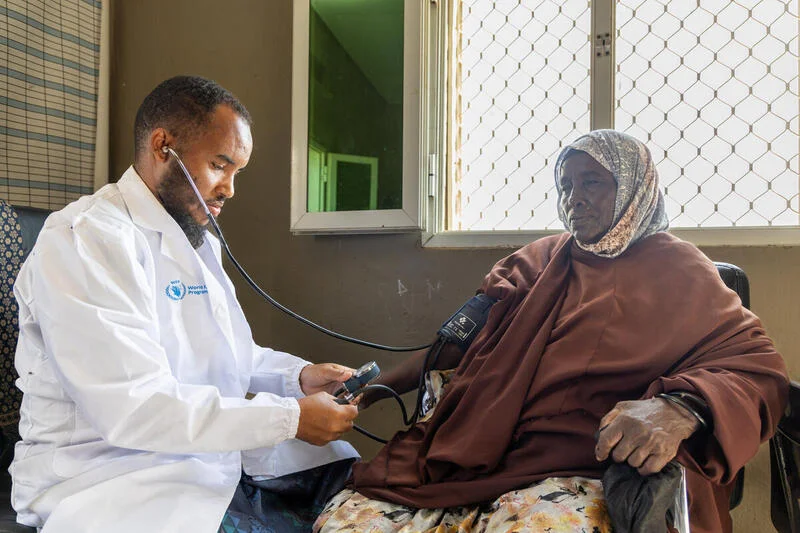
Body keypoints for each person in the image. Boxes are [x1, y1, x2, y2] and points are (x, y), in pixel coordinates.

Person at [313, 130, 789, 533]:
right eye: (565, 185)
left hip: (590, 464)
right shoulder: (536, 263)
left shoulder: (684, 271)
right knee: (347, 521)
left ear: (634, 187)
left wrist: (679, 409)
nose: (573, 197)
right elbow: (456, 346)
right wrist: (371, 391)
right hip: (487, 455)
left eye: (592, 182)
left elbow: (757, 371)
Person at [11, 76, 360, 533]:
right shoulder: (85, 241)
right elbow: (135, 406)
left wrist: (298, 377)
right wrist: (288, 418)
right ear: (163, 147)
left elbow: (228, 355)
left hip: (197, 456)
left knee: (350, 480)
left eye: (237, 172)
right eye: (220, 165)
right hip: (108, 474)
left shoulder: (195, 241)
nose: (230, 189)